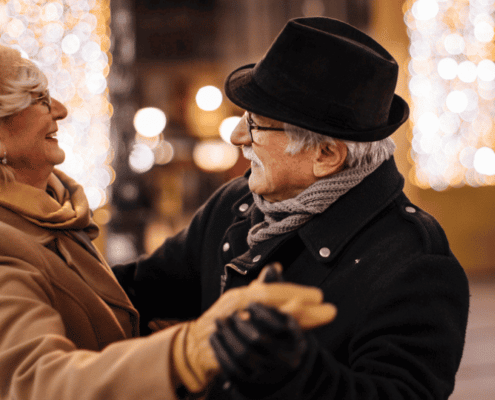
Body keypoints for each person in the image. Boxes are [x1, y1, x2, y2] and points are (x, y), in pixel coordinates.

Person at [114, 17, 470, 400]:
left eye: (256, 124)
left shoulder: (414, 262)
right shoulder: (235, 205)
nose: (237, 136)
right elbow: (135, 293)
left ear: (326, 154)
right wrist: (52, 261)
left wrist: (295, 373)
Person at [0, 44, 335, 400]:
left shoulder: (56, 213)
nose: (62, 110)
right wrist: (185, 351)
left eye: (258, 123)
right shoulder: (11, 240)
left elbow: (128, 303)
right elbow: (35, 383)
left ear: (328, 154)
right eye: (39, 99)